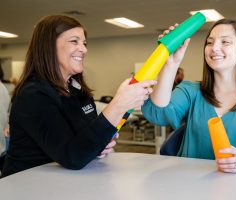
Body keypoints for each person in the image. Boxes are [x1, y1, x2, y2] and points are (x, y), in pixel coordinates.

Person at [1, 15, 156, 177]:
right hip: (25, 184)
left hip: (64, 182)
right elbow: (72, 157)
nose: (83, 49)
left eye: (84, 43)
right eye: (74, 41)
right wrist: (118, 104)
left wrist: (98, 145)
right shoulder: (33, 94)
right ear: (48, 46)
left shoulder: (77, 90)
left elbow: (84, 140)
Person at [142, 19, 236, 180]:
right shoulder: (190, 91)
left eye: (225, 41)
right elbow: (157, 114)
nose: (214, 48)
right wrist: (170, 63)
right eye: (209, 42)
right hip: (187, 186)